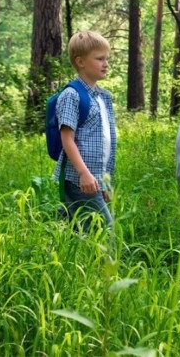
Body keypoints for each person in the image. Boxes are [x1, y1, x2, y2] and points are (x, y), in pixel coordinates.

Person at [54, 30, 116, 230]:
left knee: (79, 231)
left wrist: (105, 181)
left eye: (107, 58)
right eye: (99, 59)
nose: (106, 63)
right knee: (105, 231)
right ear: (80, 62)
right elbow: (67, 139)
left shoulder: (103, 97)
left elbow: (105, 143)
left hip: (97, 179)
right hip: (79, 178)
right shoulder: (72, 95)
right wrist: (84, 174)